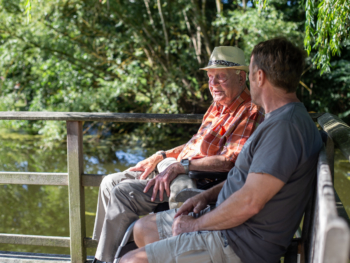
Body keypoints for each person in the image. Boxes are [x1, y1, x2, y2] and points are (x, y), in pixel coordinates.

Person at [122, 37, 323, 263]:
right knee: (142, 229)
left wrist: (195, 225)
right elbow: (247, 181)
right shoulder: (281, 119)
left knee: (130, 260)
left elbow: (250, 202)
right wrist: (206, 196)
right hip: (230, 225)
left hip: (239, 243)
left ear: (259, 76)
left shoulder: (284, 129)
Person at [92, 46, 264, 263]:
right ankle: (111, 250)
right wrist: (162, 155)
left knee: (122, 193)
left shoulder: (249, 110)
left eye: (220, 77)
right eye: (210, 77)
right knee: (109, 183)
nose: (213, 83)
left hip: (196, 182)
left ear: (241, 78)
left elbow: (230, 160)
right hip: (177, 169)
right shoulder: (217, 106)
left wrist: (181, 165)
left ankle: (105, 260)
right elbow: (195, 144)